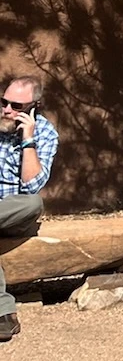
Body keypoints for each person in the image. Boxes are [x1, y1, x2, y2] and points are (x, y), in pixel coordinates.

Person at [0, 76, 58, 342]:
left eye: (16, 106)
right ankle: (4, 314)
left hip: (15, 212)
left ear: (35, 106)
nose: (7, 110)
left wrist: (28, 139)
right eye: (4, 102)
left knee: (34, 203)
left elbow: (33, 185)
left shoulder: (45, 133)